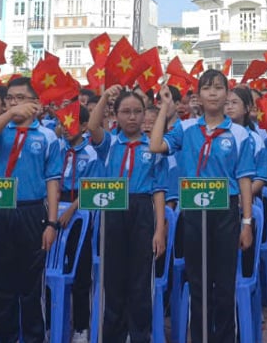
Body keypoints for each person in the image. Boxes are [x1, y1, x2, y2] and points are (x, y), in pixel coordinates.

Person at [149, 70, 255, 343]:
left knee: (224, 285)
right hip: (194, 212)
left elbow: (244, 180)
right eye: (206, 88)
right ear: (197, 96)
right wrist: (164, 109)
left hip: (226, 212)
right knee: (198, 285)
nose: (212, 93)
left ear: (227, 94)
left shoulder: (240, 133)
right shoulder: (186, 129)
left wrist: (246, 223)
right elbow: (156, 144)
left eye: (218, 88)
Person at [0, 77, 63, 343]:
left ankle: (34, 337)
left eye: (20, 98)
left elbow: (52, 181)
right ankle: (4, 337)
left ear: (35, 102)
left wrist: (52, 223)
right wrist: (9, 114)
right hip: (0, 209)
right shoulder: (0, 129)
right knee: (0, 283)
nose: (14, 103)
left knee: (30, 286)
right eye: (10, 98)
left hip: (31, 211)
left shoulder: (47, 136)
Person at [88, 86, 166, 343]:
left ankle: (139, 335)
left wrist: (159, 229)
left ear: (145, 114)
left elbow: (158, 190)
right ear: (116, 115)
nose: (131, 117)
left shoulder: (153, 146)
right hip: (113, 207)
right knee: (113, 277)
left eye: (137, 112)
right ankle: (113, 335)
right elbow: (92, 126)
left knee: (140, 279)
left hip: (143, 210)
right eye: (125, 112)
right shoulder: (109, 143)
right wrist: (103, 98)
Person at [56, 103, 102, 343]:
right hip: (57, 204)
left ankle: (81, 326)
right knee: (53, 269)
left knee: (81, 271)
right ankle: (52, 322)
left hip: (81, 210)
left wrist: (71, 211)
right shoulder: (58, 148)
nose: (65, 128)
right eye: (62, 123)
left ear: (85, 126)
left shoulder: (92, 152)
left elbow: (90, 187)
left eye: (71, 123)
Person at [226, 86, 267, 198]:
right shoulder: (213, 135)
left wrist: (244, 196)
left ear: (246, 108)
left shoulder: (255, 138)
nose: (229, 107)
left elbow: (261, 177)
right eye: (226, 103)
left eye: (234, 102)